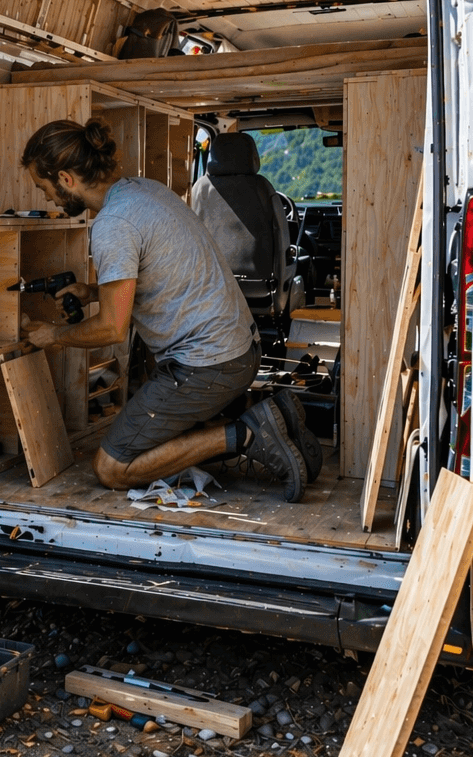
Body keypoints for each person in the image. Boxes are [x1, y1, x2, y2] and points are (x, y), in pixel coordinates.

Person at [18, 118, 311, 502]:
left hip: (210, 365)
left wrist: (52, 336)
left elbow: (111, 329)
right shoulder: (143, 190)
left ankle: (246, 433)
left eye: (44, 187)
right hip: (241, 350)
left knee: (112, 467)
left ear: (66, 179)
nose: (46, 198)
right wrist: (93, 291)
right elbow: (155, 270)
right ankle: (280, 414)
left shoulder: (112, 224)